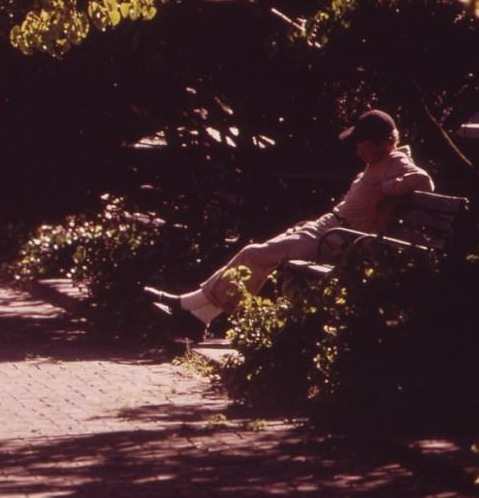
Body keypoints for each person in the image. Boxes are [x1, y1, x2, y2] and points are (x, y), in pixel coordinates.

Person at [145, 109, 435, 339]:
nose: (357, 149)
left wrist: (386, 190)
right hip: (328, 228)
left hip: (338, 239)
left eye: (362, 143)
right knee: (260, 253)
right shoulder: (377, 164)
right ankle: (198, 316)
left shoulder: (395, 160)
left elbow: (424, 181)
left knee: (254, 253)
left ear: (380, 143)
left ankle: (188, 305)